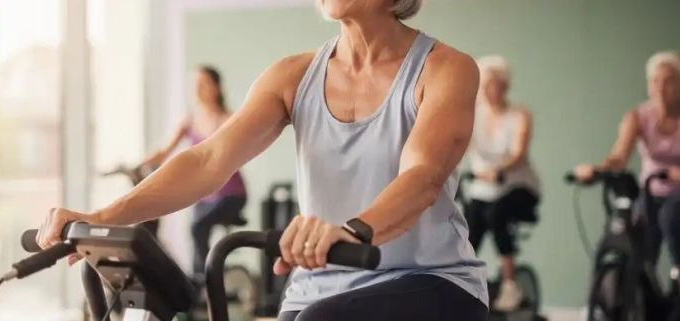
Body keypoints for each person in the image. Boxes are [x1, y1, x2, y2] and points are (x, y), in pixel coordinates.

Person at [37, 0, 488, 320]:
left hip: (428, 279)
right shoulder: (293, 76)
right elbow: (209, 158)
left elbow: (422, 177)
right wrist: (101, 218)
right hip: (318, 286)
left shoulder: (445, 69)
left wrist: (351, 230)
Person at [573, 50, 680, 321]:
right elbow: (619, 156)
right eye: (655, 81)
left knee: (671, 217)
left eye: (669, 80)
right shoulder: (638, 116)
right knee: (636, 241)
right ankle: (642, 297)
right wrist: (596, 169)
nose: (661, 87)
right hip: (650, 190)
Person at [138, 65, 248, 280]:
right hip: (204, 194)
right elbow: (164, 151)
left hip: (230, 195)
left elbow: (236, 155)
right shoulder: (190, 120)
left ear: (216, 88)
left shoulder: (229, 119)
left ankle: (207, 279)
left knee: (198, 226)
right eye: (194, 85)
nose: (197, 89)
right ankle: (200, 282)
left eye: (203, 84)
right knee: (196, 233)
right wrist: (139, 164)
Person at [464, 55, 541, 312]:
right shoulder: (472, 114)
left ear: (504, 86)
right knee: (466, 230)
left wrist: (499, 170)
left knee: (498, 216)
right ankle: (464, 282)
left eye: (492, 84)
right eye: (482, 84)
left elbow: (518, 153)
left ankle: (510, 286)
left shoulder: (520, 115)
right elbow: (455, 142)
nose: (485, 90)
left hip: (518, 186)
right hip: (482, 188)